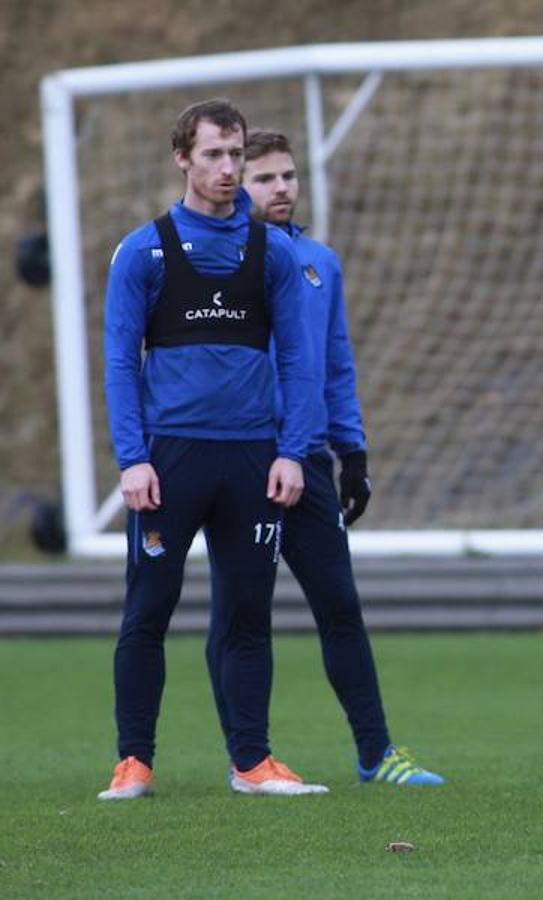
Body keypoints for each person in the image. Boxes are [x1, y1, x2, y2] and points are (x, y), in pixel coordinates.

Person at [100, 99, 327, 799]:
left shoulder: (273, 251)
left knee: (249, 617)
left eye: (235, 155)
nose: (228, 169)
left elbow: (300, 360)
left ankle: (252, 763)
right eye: (213, 155)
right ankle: (134, 762)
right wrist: (132, 458)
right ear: (183, 159)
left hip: (252, 458)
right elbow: (119, 361)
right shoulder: (143, 250)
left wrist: (292, 451)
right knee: (148, 612)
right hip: (170, 460)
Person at [226, 129, 442, 786]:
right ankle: (249, 758)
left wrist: (353, 451)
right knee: (241, 612)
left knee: (340, 605)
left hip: (309, 458)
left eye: (288, 176)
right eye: (265, 178)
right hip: (240, 457)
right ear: (236, 184)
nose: (281, 188)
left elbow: (335, 363)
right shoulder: (216, 260)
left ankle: (377, 753)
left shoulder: (318, 261)